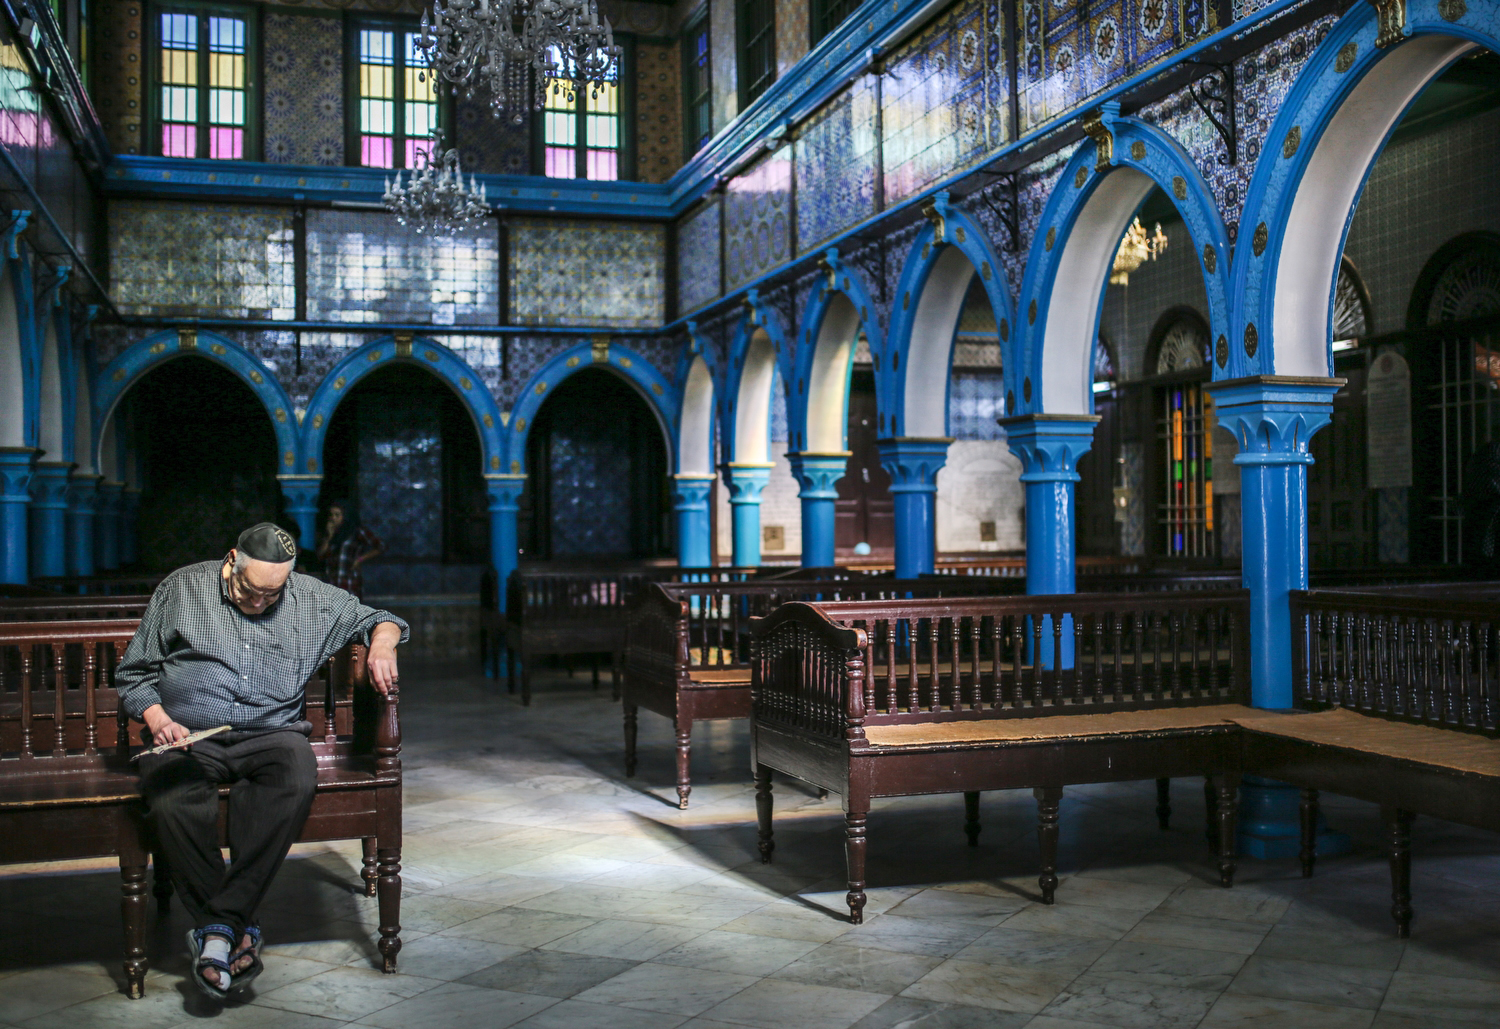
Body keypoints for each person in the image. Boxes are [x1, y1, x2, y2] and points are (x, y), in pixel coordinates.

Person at [116, 522, 408, 1000]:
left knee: (295, 777)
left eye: (271, 597)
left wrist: (382, 641)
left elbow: (382, 616)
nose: (258, 604)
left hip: (272, 735)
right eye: (250, 591)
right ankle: (237, 928)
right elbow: (134, 673)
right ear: (231, 559)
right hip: (189, 736)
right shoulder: (183, 587)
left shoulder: (310, 597)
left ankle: (215, 932)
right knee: (170, 800)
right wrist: (156, 715)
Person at [316, 500, 385, 600]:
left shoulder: (356, 532)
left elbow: (380, 546)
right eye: (331, 515)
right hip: (331, 585)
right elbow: (320, 556)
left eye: (337, 515)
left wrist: (360, 559)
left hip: (349, 583)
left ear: (345, 516)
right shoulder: (330, 534)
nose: (333, 518)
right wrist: (329, 537)